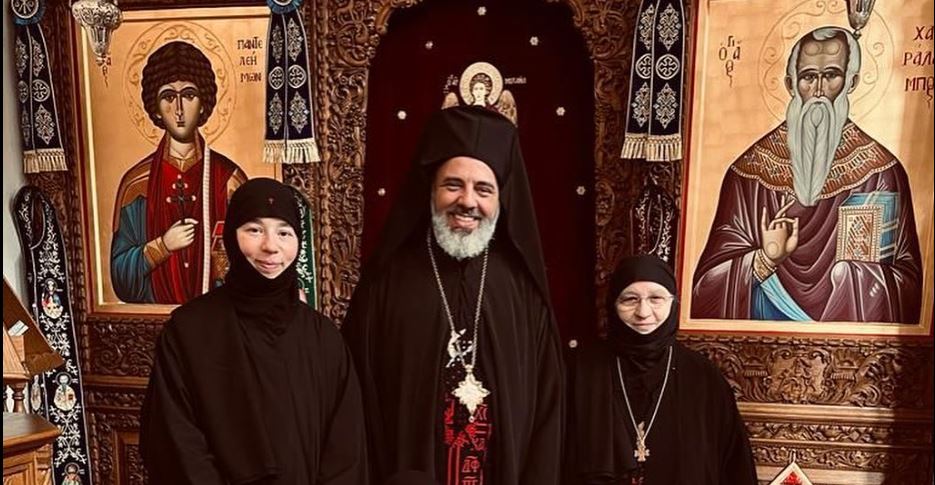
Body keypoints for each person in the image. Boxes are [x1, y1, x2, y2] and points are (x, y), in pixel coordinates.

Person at [342, 106, 563, 485]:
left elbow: (547, 412)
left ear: (501, 198)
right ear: (430, 189)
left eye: (484, 189)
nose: (468, 201)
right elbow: (355, 404)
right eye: (453, 185)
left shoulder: (522, 291)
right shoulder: (387, 283)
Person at [140, 178, 367, 484]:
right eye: (254, 230)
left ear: (298, 242)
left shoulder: (323, 339)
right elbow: (175, 443)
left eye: (284, 232)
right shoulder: (188, 332)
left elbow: (346, 450)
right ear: (231, 236)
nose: (270, 246)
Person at [691, 27, 923, 323]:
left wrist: (852, 276)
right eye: (808, 77)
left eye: (831, 75)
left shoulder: (880, 173)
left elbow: (909, 288)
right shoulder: (749, 172)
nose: (819, 91)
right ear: (791, 84)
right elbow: (704, 291)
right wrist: (764, 259)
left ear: (851, 82)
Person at [567, 255, 757, 484]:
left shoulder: (703, 377)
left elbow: (735, 466)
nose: (643, 312)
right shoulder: (583, 372)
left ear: (673, 303)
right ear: (612, 304)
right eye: (630, 299)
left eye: (656, 298)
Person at [111, 40, 248, 304]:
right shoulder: (137, 184)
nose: (179, 110)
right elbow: (120, 277)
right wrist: (162, 246)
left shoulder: (229, 180)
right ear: (156, 109)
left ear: (203, 103)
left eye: (189, 95)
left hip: (218, 318)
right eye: (168, 97)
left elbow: (254, 261)